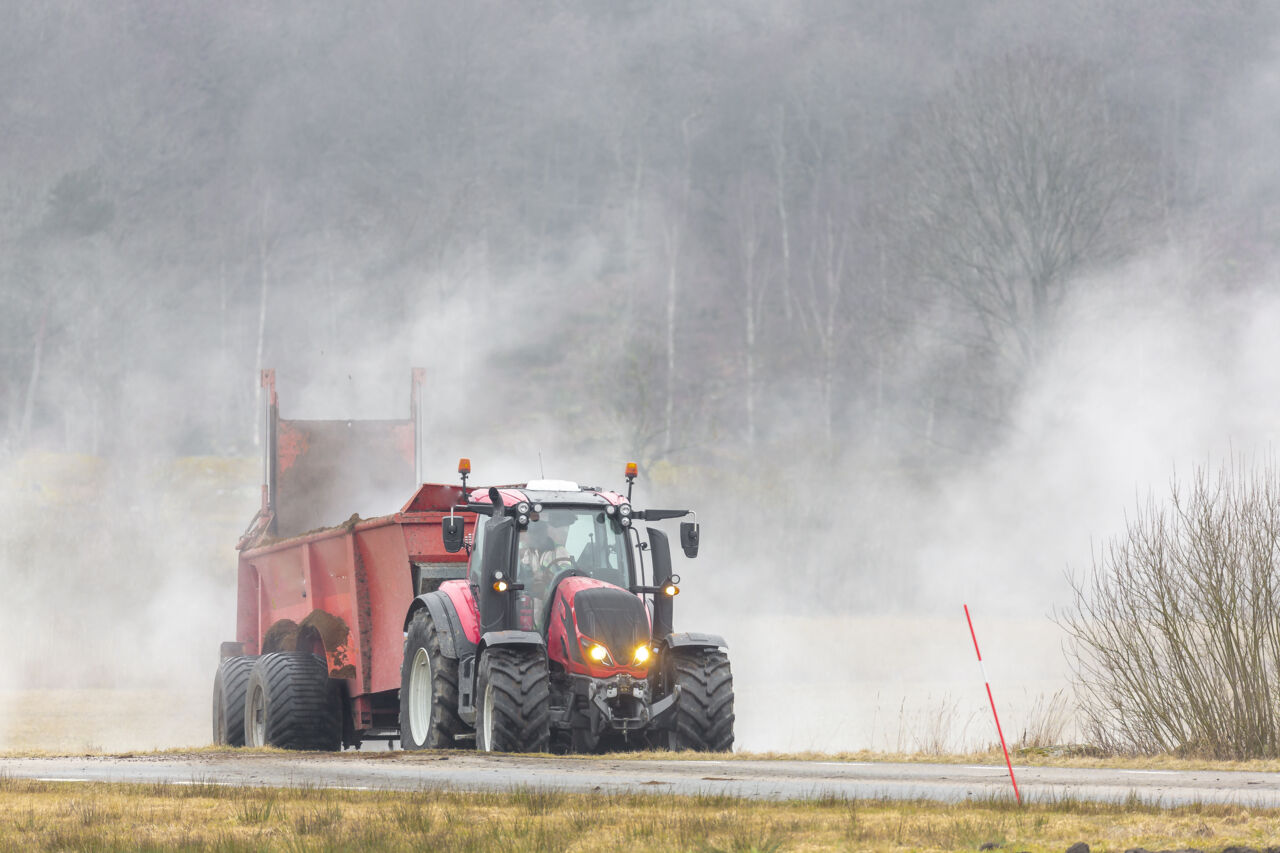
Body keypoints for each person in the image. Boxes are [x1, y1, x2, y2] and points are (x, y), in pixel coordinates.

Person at [520, 514, 575, 627]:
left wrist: (548, 580)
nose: (532, 537)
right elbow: (523, 576)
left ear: (543, 534)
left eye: (535, 533)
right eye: (530, 533)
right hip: (534, 600)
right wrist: (532, 582)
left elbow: (567, 576)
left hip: (554, 600)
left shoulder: (559, 551)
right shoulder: (529, 553)